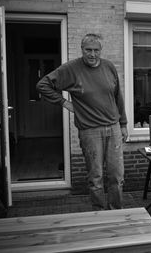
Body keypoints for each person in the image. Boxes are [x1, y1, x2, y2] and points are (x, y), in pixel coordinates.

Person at [36, 33, 128, 210]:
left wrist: (123, 124)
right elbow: (43, 85)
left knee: (117, 176)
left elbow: (118, 97)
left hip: (114, 128)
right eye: (88, 50)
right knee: (96, 177)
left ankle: (116, 212)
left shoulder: (109, 67)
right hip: (90, 131)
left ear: (101, 50)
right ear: (82, 49)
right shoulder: (71, 69)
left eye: (96, 50)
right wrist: (64, 102)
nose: (92, 54)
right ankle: (99, 212)